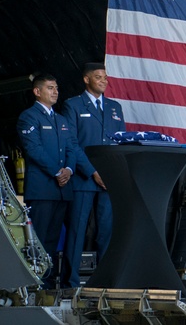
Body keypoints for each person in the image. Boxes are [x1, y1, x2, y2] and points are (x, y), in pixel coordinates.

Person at [61, 62, 127, 287]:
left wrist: (112, 173)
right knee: (77, 231)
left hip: (108, 180)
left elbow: (120, 142)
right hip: (84, 178)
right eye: (98, 77)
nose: (104, 81)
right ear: (86, 79)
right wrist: (92, 171)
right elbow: (71, 143)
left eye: (106, 77)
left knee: (107, 231)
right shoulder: (73, 105)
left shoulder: (115, 107)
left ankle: (104, 280)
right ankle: (70, 282)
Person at [16, 73, 76, 289]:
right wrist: (57, 172)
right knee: (39, 239)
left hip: (61, 190)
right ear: (37, 91)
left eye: (56, 87)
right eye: (50, 87)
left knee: (52, 240)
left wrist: (68, 169)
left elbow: (71, 148)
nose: (55, 91)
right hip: (42, 189)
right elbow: (34, 149)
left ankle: (48, 281)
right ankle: (34, 282)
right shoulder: (29, 116)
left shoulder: (61, 119)